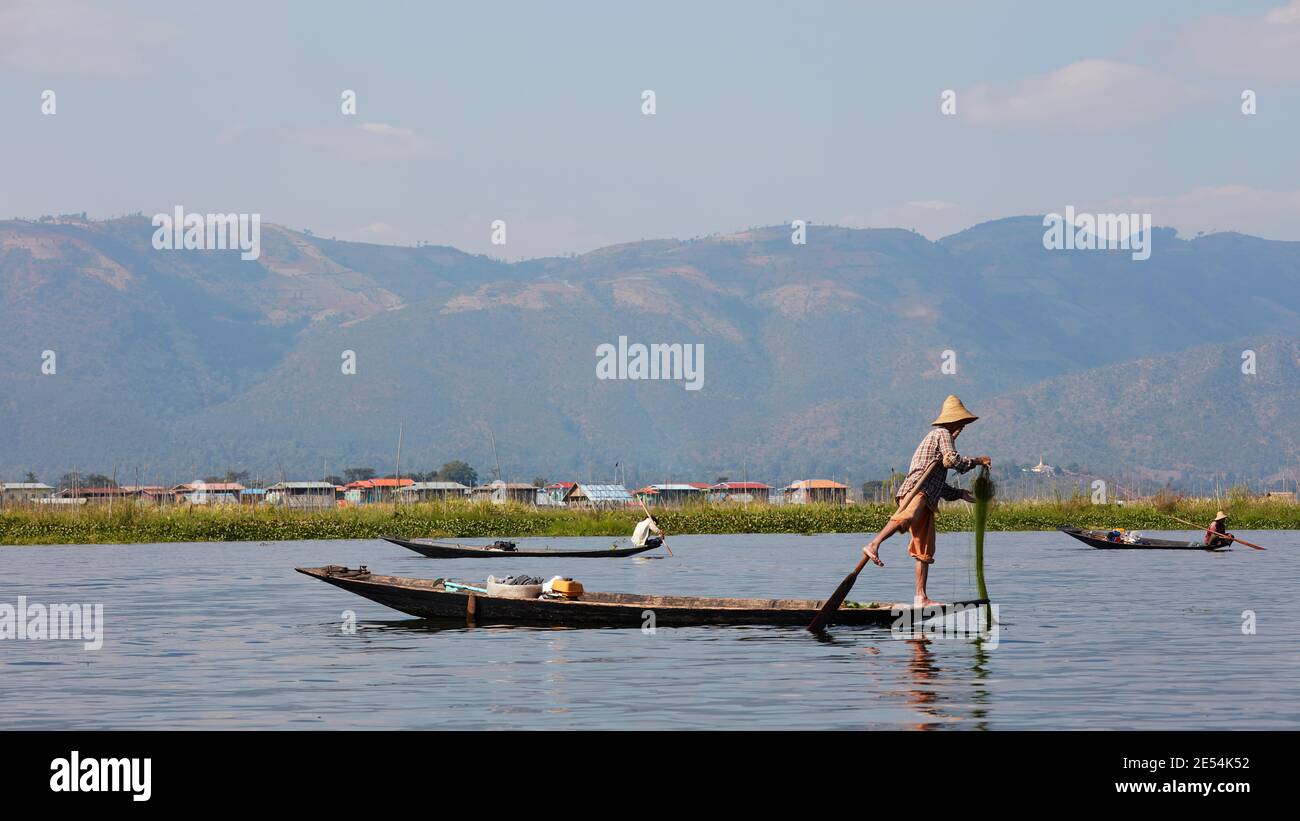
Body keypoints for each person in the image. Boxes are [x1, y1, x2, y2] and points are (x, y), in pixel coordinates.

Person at [863, 395, 991, 608]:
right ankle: (874, 544)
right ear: (952, 422)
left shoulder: (943, 439)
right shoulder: (942, 433)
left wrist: (960, 494)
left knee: (924, 549)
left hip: (928, 495)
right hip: (916, 490)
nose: (961, 428)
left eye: (963, 425)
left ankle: (920, 597)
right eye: (961, 424)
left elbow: (939, 485)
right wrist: (977, 461)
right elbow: (952, 460)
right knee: (907, 516)